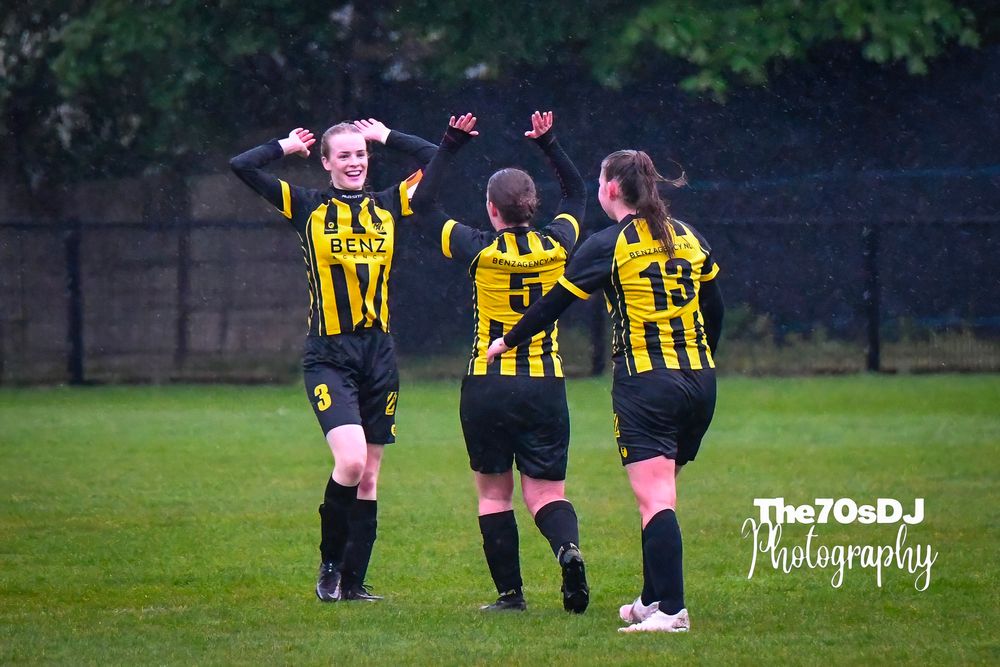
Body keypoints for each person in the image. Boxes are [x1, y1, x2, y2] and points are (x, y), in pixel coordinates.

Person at [487, 149, 724, 632]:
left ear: (611, 189)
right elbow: (714, 309)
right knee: (662, 494)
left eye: (599, 181)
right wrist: (702, 359)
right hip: (700, 381)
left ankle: (672, 610)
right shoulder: (689, 236)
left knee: (655, 498)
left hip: (648, 383)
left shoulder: (609, 244)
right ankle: (651, 600)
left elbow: (553, 303)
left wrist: (507, 340)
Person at [229, 118, 436, 602]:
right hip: (329, 354)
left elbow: (438, 158)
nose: (355, 162)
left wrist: (387, 136)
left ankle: (354, 584)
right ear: (326, 162)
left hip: (379, 354)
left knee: (369, 475)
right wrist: (283, 146)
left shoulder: (390, 203)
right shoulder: (307, 206)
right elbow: (242, 166)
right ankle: (330, 564)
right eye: (343, 155)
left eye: (360, 153)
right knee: (351, 460)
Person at [409, 111, 590, 613]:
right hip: (544, 385)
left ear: (491, 209)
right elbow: (576, 194)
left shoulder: (478, 248)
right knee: (547, 493)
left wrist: (449, 146)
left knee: (494, 494)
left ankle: (511, 596)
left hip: (487, 385)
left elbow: (422, 205)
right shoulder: (558, 243)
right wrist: (550, 144)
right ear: (533, 206)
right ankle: (566, 549)